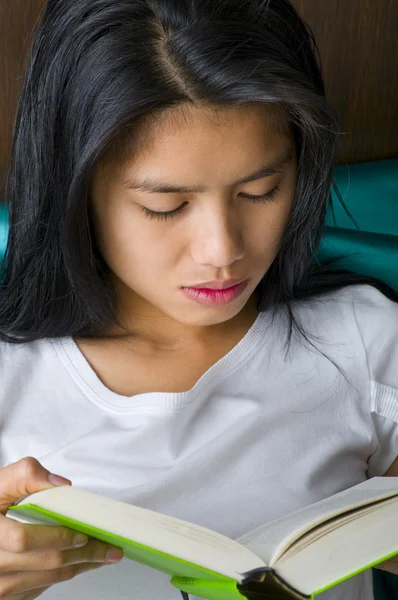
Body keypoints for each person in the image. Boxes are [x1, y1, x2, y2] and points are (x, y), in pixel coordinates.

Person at [0, 0, 397, 598]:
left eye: (261, 191)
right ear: (73, 190)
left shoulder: (363, 340)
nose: (222, 250)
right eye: (167, 206)